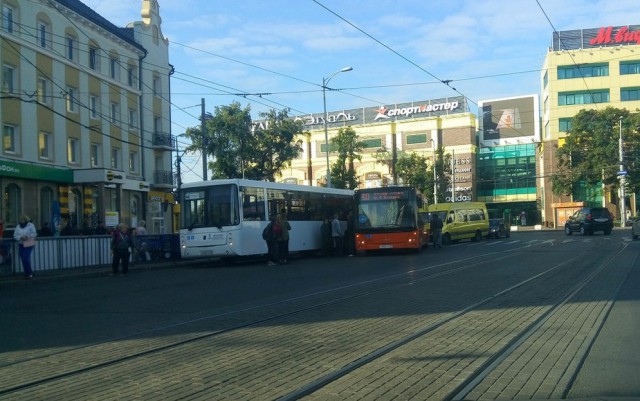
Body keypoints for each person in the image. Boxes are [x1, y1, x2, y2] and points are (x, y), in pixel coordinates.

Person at [13, 214, 37, 279]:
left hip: (29, 243)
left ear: (26, 220)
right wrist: (20, 237)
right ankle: (27, 273)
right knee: (23, 259)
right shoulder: (18, 226)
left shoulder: (30, 225)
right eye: (21, 219)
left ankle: (29, 273)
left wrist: (27, 236)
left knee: (25, 258)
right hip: (21, 244)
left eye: (23, 219)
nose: (21, 220)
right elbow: (15, 235)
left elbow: (34, 233)